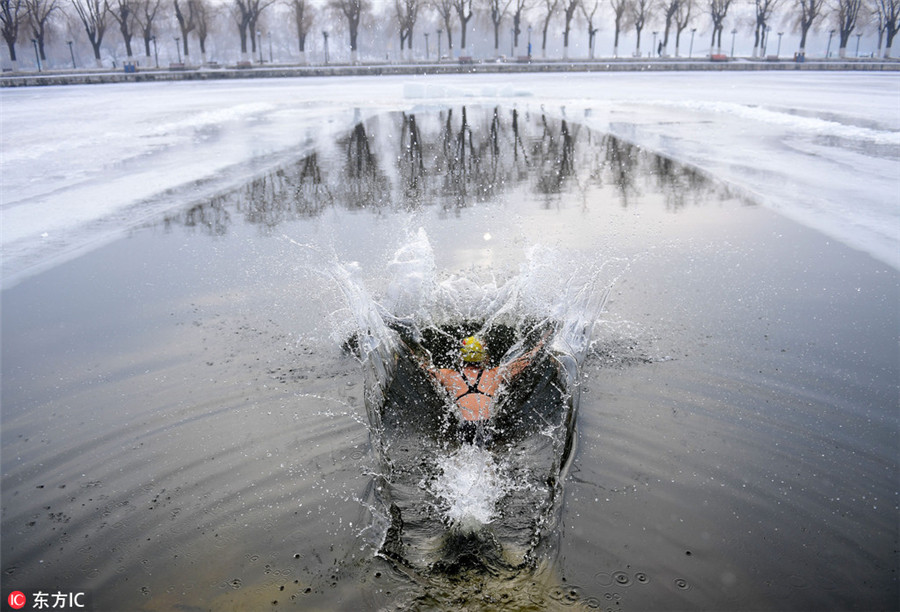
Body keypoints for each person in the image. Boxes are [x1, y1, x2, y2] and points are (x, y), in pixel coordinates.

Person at [423, 333, 549, 430]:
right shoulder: (494, 375)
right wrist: (543, 341)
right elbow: (526, 360)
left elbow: (422, 366)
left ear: (461, 356)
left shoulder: (449, 376)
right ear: (484, 357)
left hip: (465, 426)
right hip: (486, 425)